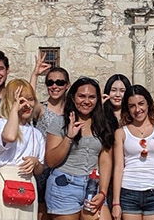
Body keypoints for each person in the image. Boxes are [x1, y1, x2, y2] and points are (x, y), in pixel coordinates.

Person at [43, 78, 115, 220]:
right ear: (72, 97)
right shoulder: (60, 122)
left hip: (92, 187)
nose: (86, 101)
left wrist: (103, 192)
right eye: (81, 96)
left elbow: (105, 160)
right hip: (64, 186)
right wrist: (68, 137)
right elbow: (50, 161)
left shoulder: (103, 124)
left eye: (91, 97)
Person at [111, 84, 154, 220]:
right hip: (129, 191)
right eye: (132, 106)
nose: (137, 110)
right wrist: (116, 202)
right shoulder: (121, 133)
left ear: (148, 104)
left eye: (141, 104)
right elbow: (118, 168)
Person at [0, 79, 47, 219]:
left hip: (27, 183)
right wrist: (15, 110)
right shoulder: (1, 124)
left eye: (31, 99)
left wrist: (35, 162)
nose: (27, 105)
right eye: (22, 100)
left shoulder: (36, 134)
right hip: (4, 180)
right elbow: (9, 136)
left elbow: (40, 170)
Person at [34, 66, 70, 216]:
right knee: (41, 211)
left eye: (60, 82)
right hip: (43, 169)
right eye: (50, 83)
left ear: (67, 85)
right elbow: (28, 98)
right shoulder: (41, 108)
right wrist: (35, 74)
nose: (55, 86)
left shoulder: (71, 112)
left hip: (64, 168)